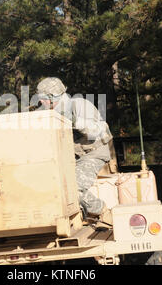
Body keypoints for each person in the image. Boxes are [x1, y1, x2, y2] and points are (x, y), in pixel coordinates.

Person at [36, 77, 113, 225]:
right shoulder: (50, 112)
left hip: (93, 153)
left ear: (53, 97)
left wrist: (76, 122)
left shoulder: (79, 105)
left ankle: (102, 211)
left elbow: (97, 131)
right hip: (71, 157)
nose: (41, 102)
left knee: (74, 189)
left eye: (44, 98)